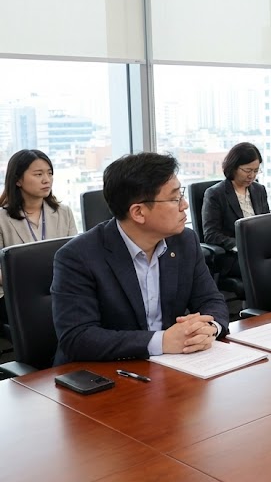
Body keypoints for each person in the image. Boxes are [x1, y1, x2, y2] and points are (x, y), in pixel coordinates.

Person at [51, 153, 228, 365]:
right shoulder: (78, 257)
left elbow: (211, 300)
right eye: (174, 198)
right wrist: (161, 341)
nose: (185, 205)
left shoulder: (184, 242)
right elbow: (78, 338)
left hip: (171, 367)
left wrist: (208, 328)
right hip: (102, 374)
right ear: (138, 212)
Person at [0, 149, 78, 300]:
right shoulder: (2, 218)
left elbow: (75, 258)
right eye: (38, 174)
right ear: (18, 180)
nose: (46, 180)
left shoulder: (63, 212)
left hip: (59, 290)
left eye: (49, 173)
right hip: (15, 294)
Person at [202, 142, 271, 276]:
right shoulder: (215, 194)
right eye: (247, 170)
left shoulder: (259, 190)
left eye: (256, 171)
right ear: (233, 167)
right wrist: (241, 245)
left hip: (261, 251)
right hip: (233, 256)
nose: (252, 176)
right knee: (267, 270)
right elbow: (211, 234)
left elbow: (266, 223)